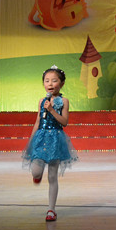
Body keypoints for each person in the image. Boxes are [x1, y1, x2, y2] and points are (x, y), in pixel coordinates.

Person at [22, 65, 78, 221]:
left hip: (56, 140)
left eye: (54, 80)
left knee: (53, 176)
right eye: (47, 81)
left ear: (62, 83)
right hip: (41, 139)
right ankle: (37, 176)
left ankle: (51, 210)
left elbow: (64, 122)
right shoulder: (42, 101)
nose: (50, 84)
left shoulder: (64, 101)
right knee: (36, 172)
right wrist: (31, 141)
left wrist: (52, 110)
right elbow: (37, 121)